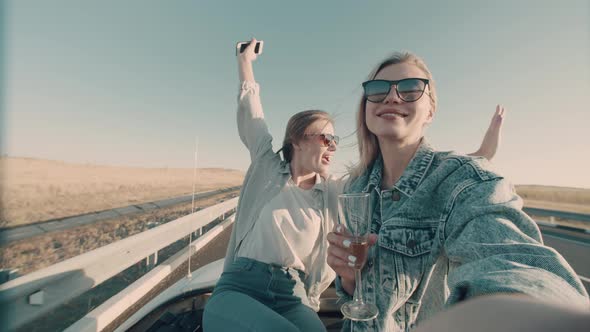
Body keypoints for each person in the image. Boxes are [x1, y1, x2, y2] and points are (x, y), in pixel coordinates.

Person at [326, 51, 589, 331]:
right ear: (366, 105)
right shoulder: (357, 186)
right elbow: (358, 295)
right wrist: (349, 277)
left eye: (411, 89)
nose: (392, 97)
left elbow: (512, 266)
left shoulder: (462, 183)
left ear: (431, 111)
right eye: (379, 90)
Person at [202, 39, 340, 332]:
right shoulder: (266, 167)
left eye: (335, 141)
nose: (333, 147)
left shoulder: (331, 194)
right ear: (298, 141)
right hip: (240, 286)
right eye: (326, 138)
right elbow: (253, 114)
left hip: (293, 294)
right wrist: (245, 63)